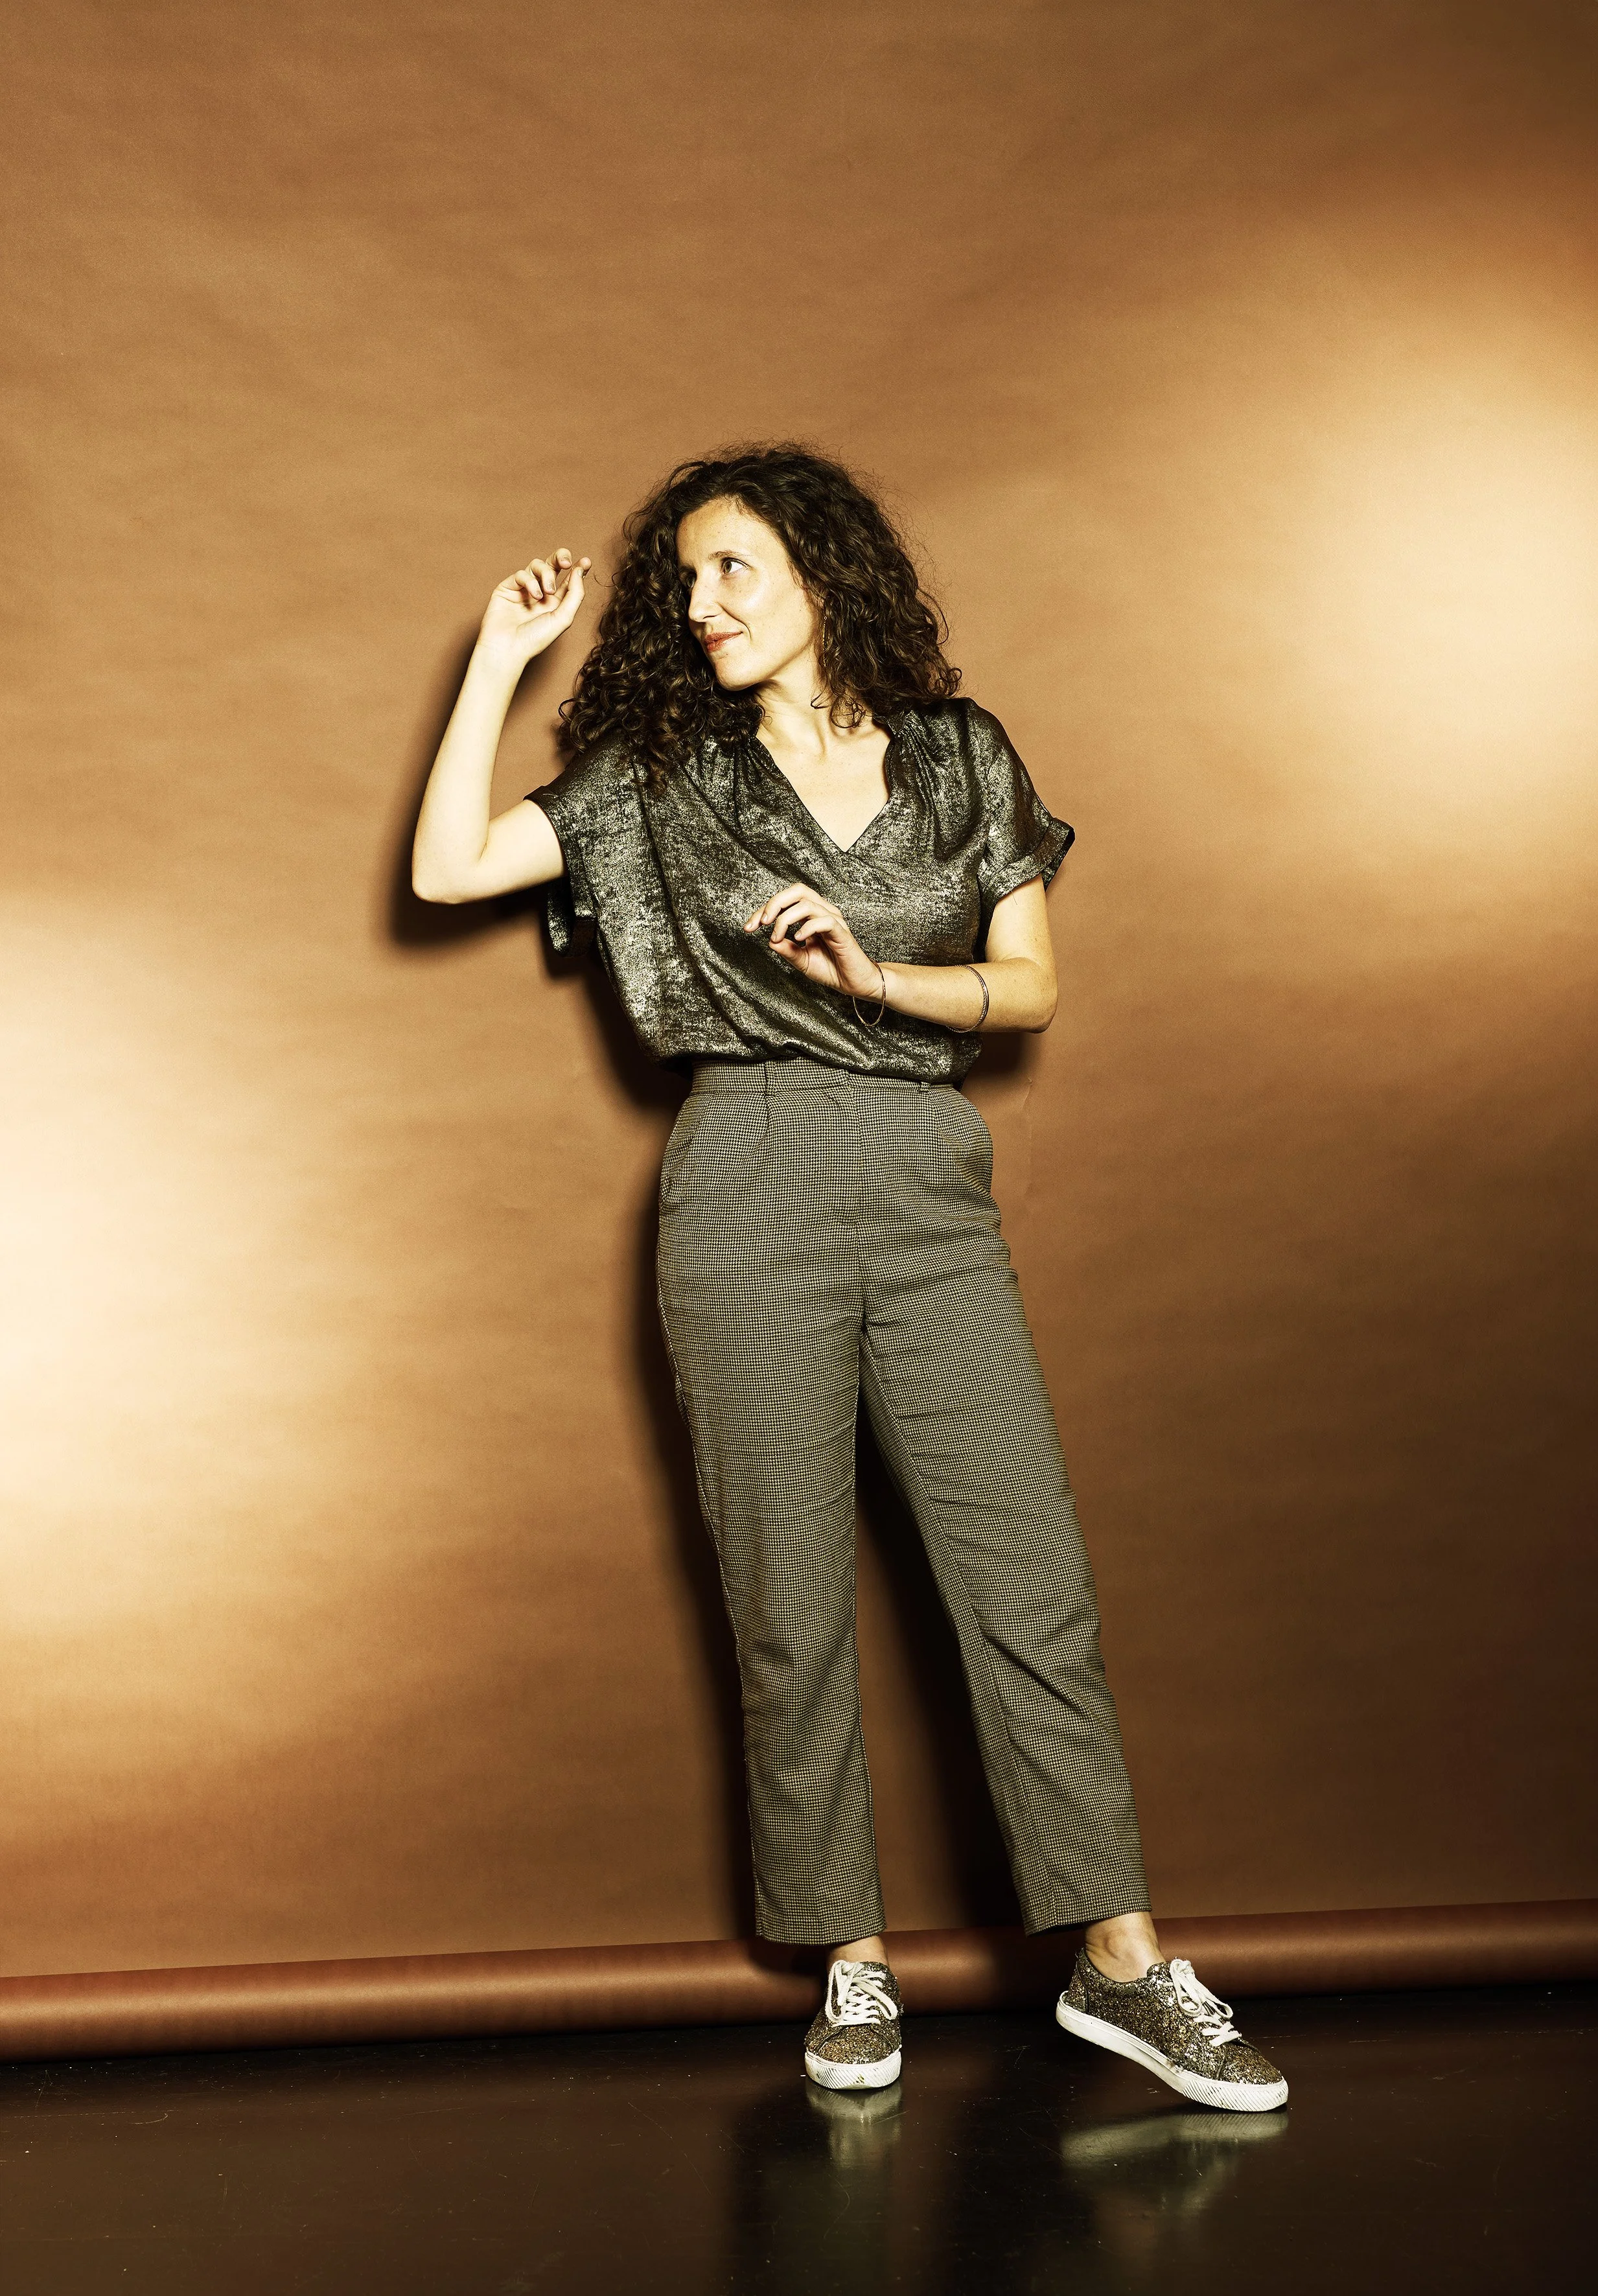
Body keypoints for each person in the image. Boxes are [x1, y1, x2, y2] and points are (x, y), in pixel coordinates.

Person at [412, 443, 1286, 2114]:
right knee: (791, 1593)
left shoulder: (964, 760)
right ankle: (852, 1961)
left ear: (824, 570)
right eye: (684, 580)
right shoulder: (664, 777)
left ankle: (1123, 1968)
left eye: (732, 567)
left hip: (930, 1184)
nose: (700, 601)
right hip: (747, 1187)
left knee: (1025, 1577)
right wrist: (496, 668)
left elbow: (1029, 992)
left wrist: (883, 974)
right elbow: (448, 873)